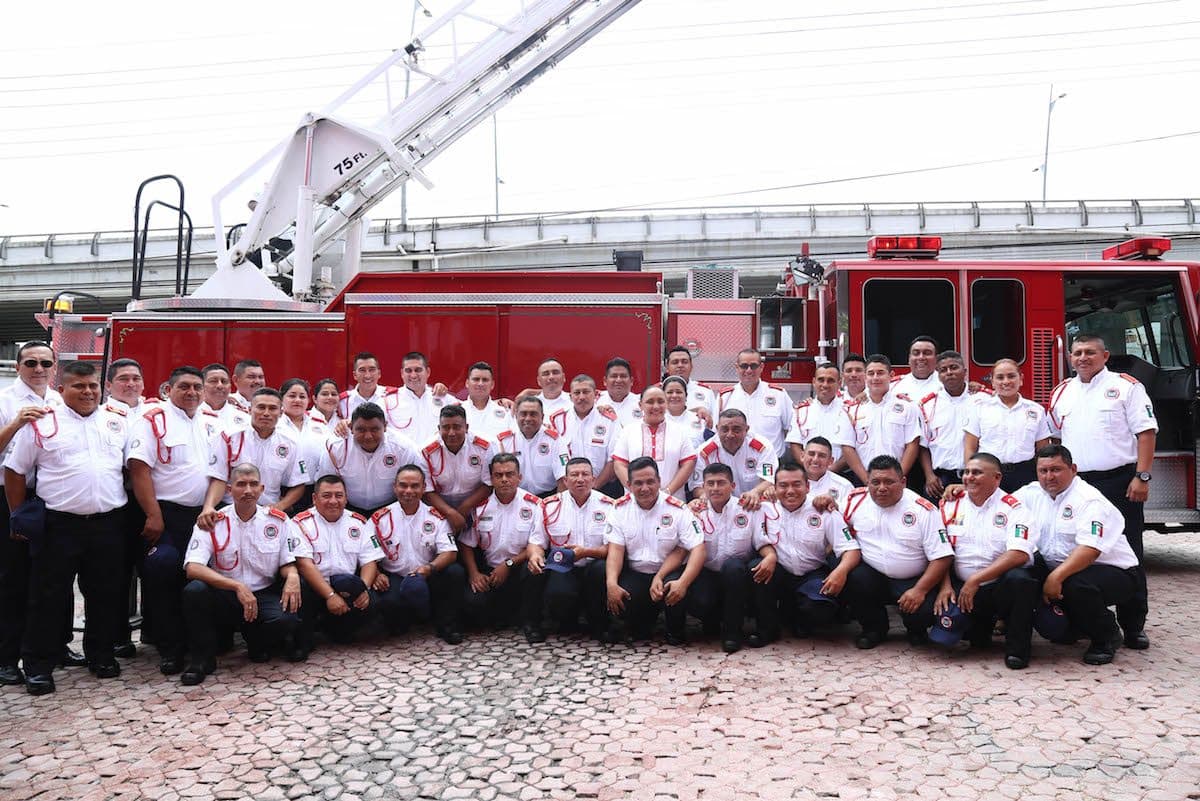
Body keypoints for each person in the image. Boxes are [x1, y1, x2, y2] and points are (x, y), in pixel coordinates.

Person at [3, 361, 128, 695]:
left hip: (107, 523)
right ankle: (38, 666)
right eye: (79, 386)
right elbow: (14, 470)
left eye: (92, 386)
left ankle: (100, 656)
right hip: (59, 525)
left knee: (104, 594)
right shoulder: (42, 425)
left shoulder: (117, 422)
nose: (88, 392)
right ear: (62, 390)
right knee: (47, 597)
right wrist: (18, 515)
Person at [1047, 334, 1156, 650]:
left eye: (1090, 352)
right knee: (1072, 549)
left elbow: (1146, 433)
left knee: (1129, 552)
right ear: (1069, 357)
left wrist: (1142, 477)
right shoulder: (1062, 392)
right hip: (1075, 486)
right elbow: (1054, 439)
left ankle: (1134, 625)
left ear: (1105, 355)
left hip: (1118, 482)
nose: (1083, 357)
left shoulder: (1127, 388)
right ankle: (1083, 620)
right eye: (1077, 352)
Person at [1013, 445, 1144, 665]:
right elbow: (999, 505)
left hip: (1115, 573)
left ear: (1073, 469)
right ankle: (1076, 626)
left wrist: (1055, 578)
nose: (1048, 477)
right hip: (1064, 568)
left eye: (1056, 470)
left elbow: (1089, 550)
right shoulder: (1032, 493)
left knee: (1075, 585)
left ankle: (1106, 636)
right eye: (1043, 471)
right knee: (1021, 575)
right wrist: (962, 491)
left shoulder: (1089, 500)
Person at [127, 366, 218, 674]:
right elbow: (139, 470)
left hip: (202, 515)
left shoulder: (210, 424)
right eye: (184, 387)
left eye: (197, 387)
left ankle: (199, 643)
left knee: (198, 579)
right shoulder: (153, 421)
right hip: (165, 514)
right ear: (168, 388)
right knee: (163, 570)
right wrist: (153, 515)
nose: (191, 392)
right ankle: (170, 648)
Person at [180, 463, 305, 685]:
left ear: (262, 488)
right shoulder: (212, 521)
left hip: (262, 593)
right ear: (229, 490)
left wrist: (293, 576)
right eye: (241, 484)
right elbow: (193, 567)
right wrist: (236, 586)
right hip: (225, 595)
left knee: (286, 619)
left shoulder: (278, 520)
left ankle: (256, 641)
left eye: (253, 484)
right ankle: (201, 660)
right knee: (195, 591)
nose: (248, 490)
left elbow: (287, 561)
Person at [0, 342, 78, 688]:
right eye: (30, 362)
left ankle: (55, 646)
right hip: (10, 494)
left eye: (45, 363)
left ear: (55, 366)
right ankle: (6, 658)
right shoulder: (5, 401)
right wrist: (16, 424)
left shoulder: (58, 401)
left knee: (53, 578)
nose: (38, 368)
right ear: (18, 366)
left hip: (49, 497)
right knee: (14, 580)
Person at [933, 454, 1039, 669]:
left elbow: (1019, 553)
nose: (969, 477)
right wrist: (944, 585)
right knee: (967, 639)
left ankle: (1017, 650)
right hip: (962, 586)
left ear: (997, 478)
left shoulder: (1014, 508)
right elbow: (939, 549)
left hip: (998, 586)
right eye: (966, 472)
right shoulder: (950, 504)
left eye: (977, 472)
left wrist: (976, 580)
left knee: (1021, 581)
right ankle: (978, 629)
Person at [841, 455, 953, 649]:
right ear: (867, 482)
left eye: (889, 482)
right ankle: (874, 629)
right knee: (849, 573)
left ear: (903, 482)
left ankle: (915, 630)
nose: (881, 488)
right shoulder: (855, 501)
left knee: (924, 611)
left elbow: (942, 558)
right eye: (875, 482)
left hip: (912, 579)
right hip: (872, 575)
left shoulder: (923, 510)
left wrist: (920, 590)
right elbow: (833, 524)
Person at [751, 462, 859, 644]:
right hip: (780, 571)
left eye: (796, 484)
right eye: (783, 485)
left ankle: (800, 619)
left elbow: (851, 549)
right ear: (774, 488)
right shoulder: (764, 510)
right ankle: (767, 630)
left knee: (820, 608)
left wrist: (841, 571)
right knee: (755, 570)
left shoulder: (823, 509)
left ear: (807, 486)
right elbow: (758, 540)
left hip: (812, 573)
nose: (790, 491)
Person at [603, 457, 706, 644]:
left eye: (650, 482)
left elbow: (698, 548)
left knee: (674, 586)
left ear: (659, 481)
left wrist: (683, 583)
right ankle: (641, 623)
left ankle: (675, 630)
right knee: (625, 600)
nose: (645, 488)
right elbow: (615, 551)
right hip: (637, 572)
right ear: (628, 484)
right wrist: (611, 583)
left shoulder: (677, 509)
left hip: (668, 572)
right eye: (638, 483)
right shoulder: (619, 509)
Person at [684, 464, 780, 652]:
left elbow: (761, 542)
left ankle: (732, 633)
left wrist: (770, 557)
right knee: (700, 602)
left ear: (733, 485)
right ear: (703, 487)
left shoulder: (748, 509)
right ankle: (712, 619)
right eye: (710, 484)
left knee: (734, 568)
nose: (715, 488)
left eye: (721, 483)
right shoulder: (695, 512)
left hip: (737, 575)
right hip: (708, 572)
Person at [367, 464, 465, 644]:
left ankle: (447, 626)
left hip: (428, 574)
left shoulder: (436, 517)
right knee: (388, 606)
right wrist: (377, 574)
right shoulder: (379, 518)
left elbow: (450, 553)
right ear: (394, 487)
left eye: (415, 486)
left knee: (455, 572)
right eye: (403, 485)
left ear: (423, 488)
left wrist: (428, 569)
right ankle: (405, 621)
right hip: (395, 575)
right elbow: (366, 555)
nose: (408, 491)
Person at [525, 457, 613, 640]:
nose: (580, 479)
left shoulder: (610, 506)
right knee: (537, 574)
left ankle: (601, 625)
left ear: (593, 479)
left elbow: (614, 549)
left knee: (602, 570)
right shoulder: (548, 505)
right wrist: (535, 555)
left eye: (585, 474)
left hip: (595, 566)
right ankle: (541, 623)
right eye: (574, 475)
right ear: (565, 481)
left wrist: (586, 552)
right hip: (563, 567)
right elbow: (536, 542)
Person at [457, 454, 544, 638]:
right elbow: (466, 544)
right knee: (473, 604)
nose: (504, 480)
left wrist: (509, 564)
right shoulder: (480, 507)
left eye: (510, 474)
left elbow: (535, 544)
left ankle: (531, 624)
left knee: (535, 571)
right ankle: (501, 615)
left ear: (519, 477)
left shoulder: (535, 505)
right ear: (491, 478)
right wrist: (474, 573)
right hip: (491, 570)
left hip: (520, 566)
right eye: (499, 475)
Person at [293, 475, 383, 649]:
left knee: (373, 602)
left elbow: (369, 561)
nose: (333, 501)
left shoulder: (358, 522)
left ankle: (336, 629)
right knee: (301, 587)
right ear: (314, 498)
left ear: (346, 497)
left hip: (346, 587)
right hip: (315, 587)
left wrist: (363, 589)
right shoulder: (300, 523)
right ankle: (303, 637)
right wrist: (330, 595)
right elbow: (304, 565)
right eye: (326, 496)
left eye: (339, 495)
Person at [104, 357, 155, 657]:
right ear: (109, 384)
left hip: (148, 499)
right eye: (123, 378)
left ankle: (153, 629)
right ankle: (117, 635)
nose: (131, 383)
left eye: (136, 378)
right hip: (117, 502)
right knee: (117, 572)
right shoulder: (101, 414)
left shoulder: (154, 412)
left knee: (153, 567)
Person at [199, 388, 308, 528]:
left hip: (269, 512)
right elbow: (218, 478)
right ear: (250, 410)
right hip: (230, 509)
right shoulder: (229, 438)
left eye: (272, 408)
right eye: (261, 407)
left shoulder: (291, 443)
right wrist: (209, 507)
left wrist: (281, 506)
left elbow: (298, 484)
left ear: (281, 413)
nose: (266, 413)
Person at [314, 403, 422, 516]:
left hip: (392, 509)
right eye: (361, 430)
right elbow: (325, 484)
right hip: (347, 510)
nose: (368, 436)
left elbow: (416, 486)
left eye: (374, 429)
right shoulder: (335, 447)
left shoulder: (403, 448)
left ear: (385, 426)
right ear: (351, 427)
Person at [963, 359, 1051, 492]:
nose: (1006, 382)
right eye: (1000, 377)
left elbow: (1043, 450)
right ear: (992, 382)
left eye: (1011, 376)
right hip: (988, 473)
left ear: (1020, 379)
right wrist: (971, 476)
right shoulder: (979, 409)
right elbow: (970, 447)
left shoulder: (1036, 410)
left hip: (1025, 474)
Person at [838, 355, 921, 485]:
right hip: (863, 478)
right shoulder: (851, 410)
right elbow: (847, 447)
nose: (875, 377)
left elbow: (912, 444)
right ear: (865, 377)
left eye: (880, 373)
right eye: (871, 373)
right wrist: (867, 480)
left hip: (898, 479)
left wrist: (898, 477)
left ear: (891, 375)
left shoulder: (907, 407)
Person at [420, 406, 497, 533]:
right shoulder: (427, 451)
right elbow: (427, 490)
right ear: (439, 429)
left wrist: (464, 509)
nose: (451, 433)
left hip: (475, 503)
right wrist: (450, 513)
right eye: (446, 427)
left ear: (466, 427)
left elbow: (488, 484)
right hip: (439, 506)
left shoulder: (484, 447)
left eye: (456, 427)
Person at [917, 351, 982, 501]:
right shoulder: (927, 405)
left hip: (977, 476)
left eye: (954, 368)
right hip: (940, 479)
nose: (949, 373)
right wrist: (929, 475)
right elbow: (923, 445)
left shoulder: (982, 399)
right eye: (943, 370)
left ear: (964, 371)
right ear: (938, 375)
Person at [612, 386, 697, 501]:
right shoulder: (628, 431)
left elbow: (688, 463)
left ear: (666, 404)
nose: (656, 406)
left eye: (661, 401)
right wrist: (636, 491)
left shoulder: (680, 431)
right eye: (650, 402)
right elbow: (619, 465)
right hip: (635, 501)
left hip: (672, 501)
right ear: (640, 405)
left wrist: (667, 492)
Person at [689, 409, 775, 508]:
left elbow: (768, 479)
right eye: (725, 430)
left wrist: (754, 492)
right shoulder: (704, 453)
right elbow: (697, 486)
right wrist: (703, 495)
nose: (730, 435)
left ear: (746, 429)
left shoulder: (762, 447)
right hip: (721, 508)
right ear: (717, 429)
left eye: (736, 430)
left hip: (754, 505)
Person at [718, 348, 793, 458]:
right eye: (744, 366)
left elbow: (790, 428)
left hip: (772, 463)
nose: (748, 370)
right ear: (737, 367)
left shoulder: (778, 395)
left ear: (761, 367)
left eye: (753, 366)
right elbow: (717, 431)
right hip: (736, 462)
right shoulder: (725, 397)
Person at [561, 374, 621, 496]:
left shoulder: (610, 421)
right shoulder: (558, 420)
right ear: (570, 396)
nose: (581, 397)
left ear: (595, 394)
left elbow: (613, 459)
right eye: (577, 393)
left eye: (586, 392)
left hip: (605, 489)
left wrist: (595, 486)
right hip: (569, 491)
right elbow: (556, 459)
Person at [496, 397, 568, 497]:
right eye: (523, 414)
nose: (528, 418)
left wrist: (555, 506)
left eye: (533, 414)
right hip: (514, 498)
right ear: (516, 415)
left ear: (542, 417)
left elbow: (563, 480)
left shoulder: (555, 440)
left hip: (547, 497)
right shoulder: (503, 441)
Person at [386, 352, 460, 445]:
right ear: (402, 373)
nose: (413, 375)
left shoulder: (445, 399)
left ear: (428, 372)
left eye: (418, 370)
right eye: (408, 370)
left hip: (435, 457)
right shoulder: (388, 401)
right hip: (404, 458)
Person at [786, 363, 845, 469]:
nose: (825, 385)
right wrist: (810, 468)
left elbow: (852, 448)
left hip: (841, 472)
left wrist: (833, 469)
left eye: (830, 380)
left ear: (839, 383)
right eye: (821, 380)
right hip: (808, 472)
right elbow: (795, 445)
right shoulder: (801, 411)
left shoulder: (849, 410)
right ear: (814, 382)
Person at [278, 379, 331, 493]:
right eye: (292, 396)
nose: (297, 400)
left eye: (302, 397)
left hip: (314, 489)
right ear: (281, 399)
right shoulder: (275, 426)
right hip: (281, 490)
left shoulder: (321, 426)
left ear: (308, 400)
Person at [462, 362, 515, 442]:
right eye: (476, 379)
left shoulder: (506, 411)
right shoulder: (458, 410)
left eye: (485, 380)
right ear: (467, 383)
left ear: (492, 384)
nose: (480, 384)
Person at [664, 345, 716, 425]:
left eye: (684, 362)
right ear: (667, 367)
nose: (680, 365)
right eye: (675, 362)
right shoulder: (657, 392)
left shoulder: (706, 392)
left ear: (691, 366)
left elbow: (714, 423)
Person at [517, 358, 571, 435]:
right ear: (539, 380)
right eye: (546, 374)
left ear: (563, 377)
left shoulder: (575, 403)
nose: (551, 377)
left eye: (555, 372)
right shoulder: (527, 405)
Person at [338, 352, 393, 421]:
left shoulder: (393, 397)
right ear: (355, 375)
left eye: (372, 370)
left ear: (379, 373)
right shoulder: (343, 401)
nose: (367, 375)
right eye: (362, 370)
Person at [801, 436, 854, 503]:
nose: (815, 459)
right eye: (811, 454)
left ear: (831, 461)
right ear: (802, 456)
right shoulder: (790, 483)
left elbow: (850, 512)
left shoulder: (844, 486)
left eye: (821, 456)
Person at [662, 376, 708, 451]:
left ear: (686, 396)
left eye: (679, 392)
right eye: (670, 392)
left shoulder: (700, 421)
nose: (674, 395)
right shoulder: (656, 421)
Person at [199, 363, 249, 431]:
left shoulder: (244, 417)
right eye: (213, 381)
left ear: (230, 387)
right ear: (201, 386)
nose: (220, 385)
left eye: (224, 381)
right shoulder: (192, 415)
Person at [892, 336, 943, 400]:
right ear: (909, 358)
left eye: (927, 353)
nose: (921, 357)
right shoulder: (893, 385)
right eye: (916, 353)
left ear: (937, 359)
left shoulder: (946, 384)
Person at [597, 357, 642, 427]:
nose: (618, 380)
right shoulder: (595, 402)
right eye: (614, 376)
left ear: (631, 381)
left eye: (623, 376)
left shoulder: (642, 404)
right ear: (605, 381)